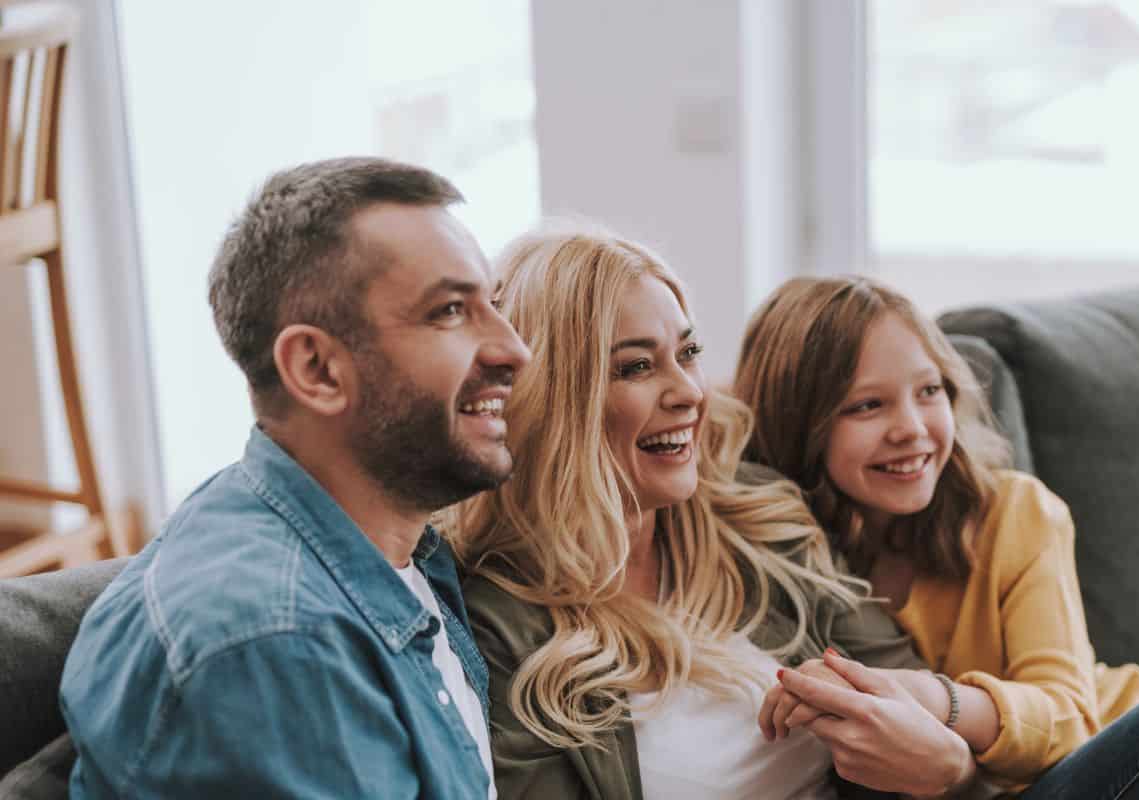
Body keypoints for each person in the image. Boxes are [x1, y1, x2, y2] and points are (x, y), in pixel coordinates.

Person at [734, 275, 1139, 799]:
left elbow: (1069, 718)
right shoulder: (777, 547)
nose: (912, 427)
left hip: (1101, 763)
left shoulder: (1013, 512)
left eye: (928, 391)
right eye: (866, 406)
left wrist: (936, 699)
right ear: (800, 424)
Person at [448, 222, 978, 799]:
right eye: (636, 367)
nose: (690, 392)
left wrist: (951, 770)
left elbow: (922, 716)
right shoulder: (501, 626)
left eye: (689, 353)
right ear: (553, 397)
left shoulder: (759, 525)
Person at [59, 157, 530, 798]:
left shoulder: (394, 541)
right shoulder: (274, 648)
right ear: (317, 370)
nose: (513, 349)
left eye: (493, 305)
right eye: (449, 311)